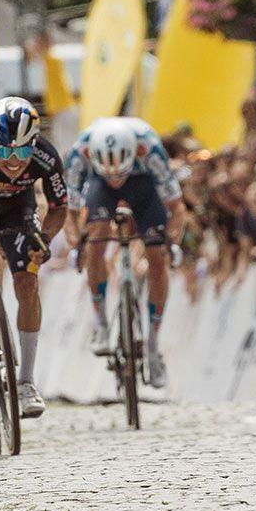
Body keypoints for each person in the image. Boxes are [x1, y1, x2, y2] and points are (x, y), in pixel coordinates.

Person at [66, 115, 186, 388]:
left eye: (120, 172)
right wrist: (77, 246)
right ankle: (101, 323)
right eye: (112, 173)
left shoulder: (150, 149)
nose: (117, 179)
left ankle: (153, 347)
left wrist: (173, 243)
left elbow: (178, 209)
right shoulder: (79, 154)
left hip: (143, 184)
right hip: (98, 185)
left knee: (157, 259)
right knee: (95, 237)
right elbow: (70, 214)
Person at [0, 95, 67, 418]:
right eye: (7, 151)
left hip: (17, 210)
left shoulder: (46, 156)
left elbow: (58, 207)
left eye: (22, 151)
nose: (14, 161)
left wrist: (45, 238)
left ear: (33, 144)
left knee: (27, 281)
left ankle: (26, 380)